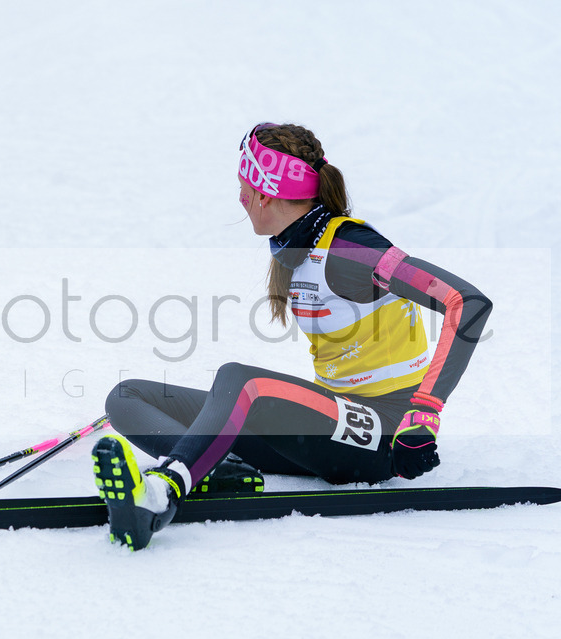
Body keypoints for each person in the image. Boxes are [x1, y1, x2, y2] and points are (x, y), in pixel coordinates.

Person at [91, 122, 493, 550]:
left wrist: (424, 414)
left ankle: (161, 495)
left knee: (241, 379)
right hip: (333, 428)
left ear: (266, 193)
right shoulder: (294, 246)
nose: (240, 198)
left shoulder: (350, 250)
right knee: (127, 397)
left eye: (244, 186)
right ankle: (211, 469)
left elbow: (466, 303)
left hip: (384, 435)